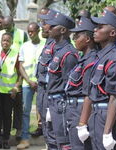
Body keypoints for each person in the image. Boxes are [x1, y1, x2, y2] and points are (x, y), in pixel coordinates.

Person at [77, 10, 116, 150]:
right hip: (96, 114)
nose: (95, 30)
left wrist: (107, 132)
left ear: (112, 33)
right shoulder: (101, 56)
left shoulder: (114, 58)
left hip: (106, 115)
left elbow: (114, 97)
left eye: (100, 27)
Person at [45, 12, 78, 150]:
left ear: (63, 30)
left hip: (61, 104)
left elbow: (68, 86)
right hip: (53, 101)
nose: (49, 28)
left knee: (64, 142)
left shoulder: (68, 53)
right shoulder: (57, 50)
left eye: (53, 26)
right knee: (53, 140)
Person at [66, 16, 97, 150]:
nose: (74, 39)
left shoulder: (91, 61)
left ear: (88, 39)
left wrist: (82, 122)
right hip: (74, 109)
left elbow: (88, 94)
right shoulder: (83, 58)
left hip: (81, 110)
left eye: (77, 36)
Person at [16, 22, 45, 149]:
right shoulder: (24, 46)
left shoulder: (45, 45)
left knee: (44, 110)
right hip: (28, 84)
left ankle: (48, 139)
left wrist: (40, 81)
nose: (30, 34)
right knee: (25, 111)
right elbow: (20, 66)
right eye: (29, 32)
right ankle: (25, 138)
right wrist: (28, 81)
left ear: (38, 31)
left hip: (42, 83)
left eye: (32, 31)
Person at [0, 33, 21, 150]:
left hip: (9, 91)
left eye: (8, 41)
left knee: (7, 116)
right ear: (1, 41)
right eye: (3, 40)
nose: (5, 42)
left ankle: (6, 140)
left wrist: (16, 88)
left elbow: (20, 75)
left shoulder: (15, 55)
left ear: (11, 42)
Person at [35, 9, 58, 149]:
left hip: (51, 93)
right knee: (46, 129)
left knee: (53, 132)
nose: (42, 26)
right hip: (43, 91)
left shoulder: (57, 46)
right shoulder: (48, 43)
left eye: (45, 23)